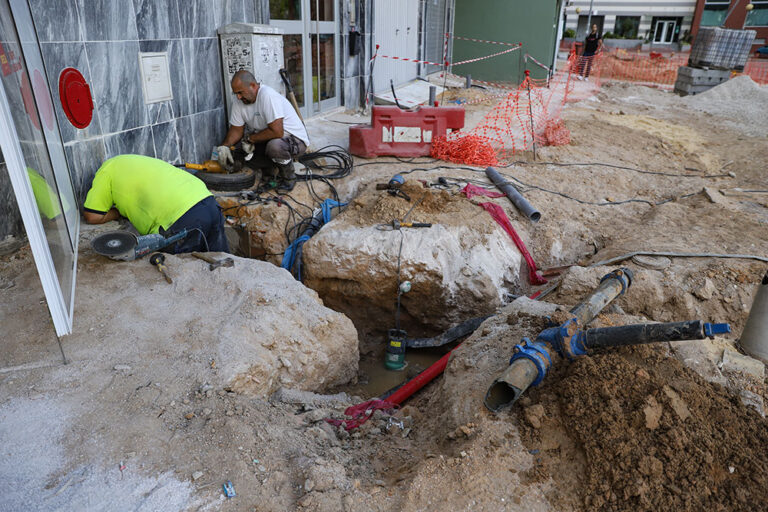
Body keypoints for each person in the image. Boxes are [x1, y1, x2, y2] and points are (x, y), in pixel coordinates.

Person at [82, 154, 229, 254]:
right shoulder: (132, 161)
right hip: (207, 201)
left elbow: (92, 215)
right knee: (221, 262)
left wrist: (118, 212)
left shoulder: (106, 171)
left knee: (183, 271)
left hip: (180, 217)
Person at [217, 69, 310, 192]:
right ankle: (270, 171)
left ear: (253, 86)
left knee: (274, 147)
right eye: (236, 94)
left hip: (295, 141)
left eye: (240, 92)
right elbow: (236, 130)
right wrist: (225, 147)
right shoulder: (239, 102)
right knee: (238, 150)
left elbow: (277, 132)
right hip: (270, 138)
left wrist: (250, 139)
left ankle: (289, 178)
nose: (238, 97)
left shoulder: (267, 96)